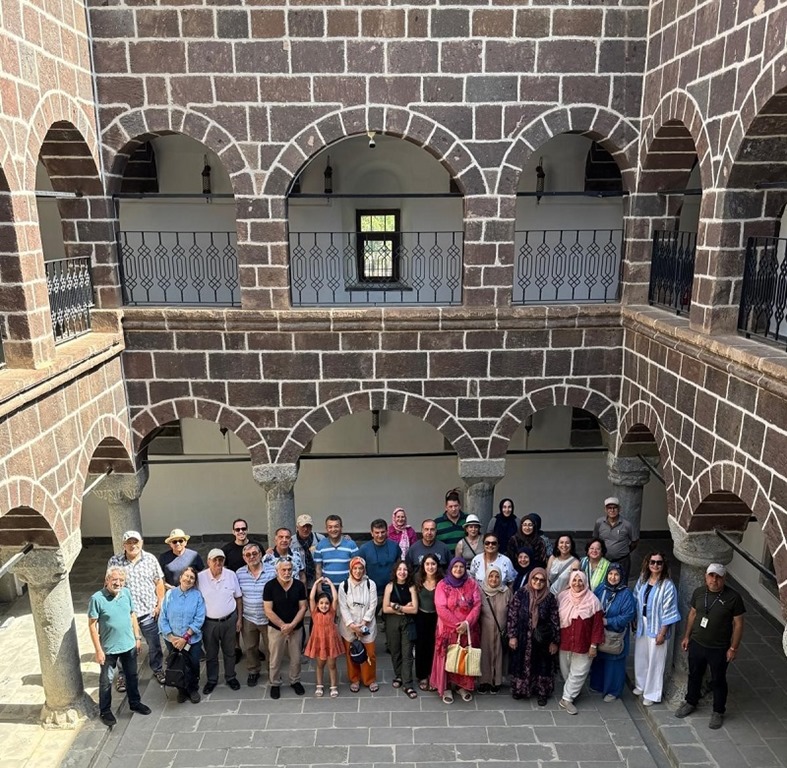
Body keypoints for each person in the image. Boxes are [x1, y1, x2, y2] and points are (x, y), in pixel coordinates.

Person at [676, 563, 745, 729]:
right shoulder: (699, 592)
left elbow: (738, 624)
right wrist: (687, 636)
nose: (714, 580)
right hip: (697, 643)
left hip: (719, 647)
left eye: (718, 577)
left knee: (718, 680)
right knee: (694, 674)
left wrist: (733, 648)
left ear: (724, 578)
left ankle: (718, 711)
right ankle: (691, 702)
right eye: (711, 576)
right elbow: (692, 614)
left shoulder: (733, 597)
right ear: (706, 577)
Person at [88, 567, 152, 727]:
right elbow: (92, 625)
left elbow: (132, 615)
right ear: (107, 580)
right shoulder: (97, 599)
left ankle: (135, 703)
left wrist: (137, 637)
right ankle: (105, 711)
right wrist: (98, 650)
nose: (118, 583)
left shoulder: (126, 593)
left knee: (132, 676)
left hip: (128, 645)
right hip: (109, 648)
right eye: (114, 579)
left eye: (121, 580)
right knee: (106, 681)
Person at [107, 530, 166, 689]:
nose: (132, 545)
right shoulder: (115, 561)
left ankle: (158, 669)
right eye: (129, 542)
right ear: (124, 545)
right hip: (125, 614)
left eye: (135, 542)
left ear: (141, 543)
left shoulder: (150, 559)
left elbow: (158, 582)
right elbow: (109, 584)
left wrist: (159, 604)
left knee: (154, 644)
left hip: (148, 612)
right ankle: (123, 675)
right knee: (123, 646)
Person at [430, 557, 482, 704]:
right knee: (448, 657)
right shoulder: (442, 585)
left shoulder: (472, 584)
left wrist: (467, 623)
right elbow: (441, 607)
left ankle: (461, 686)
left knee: (463, 657)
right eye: (455, 567)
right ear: (450, 568)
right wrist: (457, 626)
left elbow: (477, 605)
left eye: (461, 567)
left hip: (468, 629)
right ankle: (446, 687)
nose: (458, 569)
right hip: (448, 630)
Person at [632, 551, 680, 706]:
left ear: (663, 565)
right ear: (648, 563)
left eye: (659, 562)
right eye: (652, 562)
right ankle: (641, 685)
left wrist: (662, 633)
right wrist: (634, 619)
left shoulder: (667, 585)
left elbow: (669, 610)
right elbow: (635, 598)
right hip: (643, 623)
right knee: (641, 656)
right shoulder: (642, 579)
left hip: (658, 626)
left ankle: (652, 694)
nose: (655, 565)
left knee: (655, 661)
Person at [507, 567, 559, 705]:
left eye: (542, 580)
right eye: (535, 579)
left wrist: (554, 641)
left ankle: (542, 692)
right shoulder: (521, 594)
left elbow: (555, 621)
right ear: (531, 578)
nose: (538, 582)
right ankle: (521, 689)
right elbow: (512, 615)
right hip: (523, 637)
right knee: (522, 663)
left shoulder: (550, 598)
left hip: (542, 639)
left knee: (542, 665)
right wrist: (512, 636)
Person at [556, 570, 604, 715]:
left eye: (580, 580)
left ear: (585, 582)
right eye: (574, 580)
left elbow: (597, 626)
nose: (577, 583)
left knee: (579, 672)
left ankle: (567, 699)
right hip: (565, 642)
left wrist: (594, 645)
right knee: (566, 671)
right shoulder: (563, 597)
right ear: (570, 582)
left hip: (584, 643)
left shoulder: (593, 601)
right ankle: (572, 690)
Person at [589, 563, 636, 702]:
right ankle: (597, 684)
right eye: (610, 574)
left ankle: (613, 691)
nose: (613, 577)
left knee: (614, 663)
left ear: (621, 577)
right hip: (601, 632)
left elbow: (628, 615)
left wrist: (608, 621)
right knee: (600, 658)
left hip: (616, 633)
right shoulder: (601, 588)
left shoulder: (626, 594)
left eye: (616, 575)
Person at [158, 566, 205, 704]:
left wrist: (185, 637)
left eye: (192, 578)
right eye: (186, 576)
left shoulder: (197, 596)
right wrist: (171, 637)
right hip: (172, 640)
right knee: (177, 664)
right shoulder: (169, 595)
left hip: (191, 640)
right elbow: (163, 617)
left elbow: (199, 618)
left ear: (194, 581)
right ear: (180, 578)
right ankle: (181, 689)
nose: (188, 579)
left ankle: (193, 689)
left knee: (193, 664)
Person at [198, 549, 242, 694]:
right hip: (208, 623)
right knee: (211, 653)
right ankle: (212, 679)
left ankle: (231, 677)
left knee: (230, 652)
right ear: (208, 561)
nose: (218, 563)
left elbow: (238, 598)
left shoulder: (231, 575)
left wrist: (239, 619)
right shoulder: (200, 577)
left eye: (221, 560)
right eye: (214, 560)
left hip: (229, 620)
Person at [264, 559, 308, 699]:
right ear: (277, 571)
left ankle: (295, 681)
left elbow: (303, 607)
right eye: (283, 570)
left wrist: (292, 625)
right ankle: (275, 683)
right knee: (275, 658)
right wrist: (283, 625)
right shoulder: (270, 586)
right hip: (276, 629)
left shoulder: (299, 585)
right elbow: (268, 610)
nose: (287, 572)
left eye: (289, 569)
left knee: (296, 657)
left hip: (296, 628)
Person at [338, 556, 379, 692]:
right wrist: (352, 626)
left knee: (370, 654)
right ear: (350, 570)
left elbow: (373, 605)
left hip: (367, 625)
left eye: (360, 568)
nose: (358, 571)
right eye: (355, 568)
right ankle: (354, 679)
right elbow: (343, 607)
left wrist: (363, 624)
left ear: (364, 569)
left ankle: (369, 679)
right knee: (352, 654)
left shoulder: (370, 584)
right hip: (349, 627)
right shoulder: (344, 586)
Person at [382, 561, 419, 699]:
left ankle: (407, 684)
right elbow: (385, 608)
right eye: (399, 569)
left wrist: (396, 606)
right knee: (395, 650)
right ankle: (399, 675)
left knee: (407, 652)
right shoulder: (390, 586)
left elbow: (414, 609)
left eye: (405, 569)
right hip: (392, 622)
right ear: (395, 571)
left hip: (407, 622)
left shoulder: (411, 587)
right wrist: (404, 608)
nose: (402, 572)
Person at [235, 542, 269, 687]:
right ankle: (253, 671)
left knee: (271, 647)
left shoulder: (272, 571)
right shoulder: (239, 573)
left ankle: (273, 672)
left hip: (268, 617)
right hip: (248, 617)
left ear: (260, 555)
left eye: (254, 553)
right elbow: (238, 597)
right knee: (250, 647)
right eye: (248, 555)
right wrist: (239, 618)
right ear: (244, 557)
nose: (251, 557)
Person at [304, 578, 345, 698]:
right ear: (317, 604)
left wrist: (331, 584)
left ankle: (333, 686)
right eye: (321, 603)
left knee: (332, 665)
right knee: (320, 665)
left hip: (330, 641)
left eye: (327, 603)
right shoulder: (314, 613)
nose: (324, 605)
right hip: (319, 642)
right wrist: (316, 583)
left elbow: (335, 598)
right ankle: (319, 685)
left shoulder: (332, 612)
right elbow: (311, 598)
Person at [478, 564, 510, 694]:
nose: (493, 579)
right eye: (490, 576)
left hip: (501, 631)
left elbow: (512, 611)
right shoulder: (480, 591)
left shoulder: (506, 591)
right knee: (484, 655)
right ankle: (484, 681)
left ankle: (496, 681)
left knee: (499, 655)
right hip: (484, 632)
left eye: (497, 576)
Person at [414, 553, 442, 692]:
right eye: (427, 564)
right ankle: (422, 675)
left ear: (437, 565)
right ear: (423, 566)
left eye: (433, 564)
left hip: (438, 618)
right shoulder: (417, 579)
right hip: (421, 616)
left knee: (434, 647)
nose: (430, 567)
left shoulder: (442, 581)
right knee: (421, 647)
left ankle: (433, 674)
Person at [592, 497, 637, 581]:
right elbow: (595, 540)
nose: (612, 510)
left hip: (622, 561)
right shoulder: (599, 522)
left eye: (614, 508)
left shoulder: (627, 525)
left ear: (619, 509)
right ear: (605, 510)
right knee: (602, 582)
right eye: (609, 508)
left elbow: (634, 541)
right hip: (604, 560)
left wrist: (623, 551)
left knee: (622, 583)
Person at [359, 518, 401, 604]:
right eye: (377, 533)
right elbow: (359, 571)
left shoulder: (395, 546)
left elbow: (399, 566)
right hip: (372, 593)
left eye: (383, 532)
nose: (380, 535)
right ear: (371, 533)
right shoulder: (364, 549)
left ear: (387, 532)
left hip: (392, 591)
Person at [314, 515, 359, 586]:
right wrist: (319, 590)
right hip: (327, 588)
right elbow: (318, 570)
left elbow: (357, 567)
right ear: (326, 529)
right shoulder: (320, 546)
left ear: (341, 528)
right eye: (330, 527)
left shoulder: (351, 545)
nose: (333, 529)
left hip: (347, 587)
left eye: (336, 526)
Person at [291, 514, 324, 589]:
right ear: (297, 527)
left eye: (308, 526)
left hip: (318, 581)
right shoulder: (291, 542)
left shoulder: (320, 539)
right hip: (299, 582)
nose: (306, 529)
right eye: (303, 526)